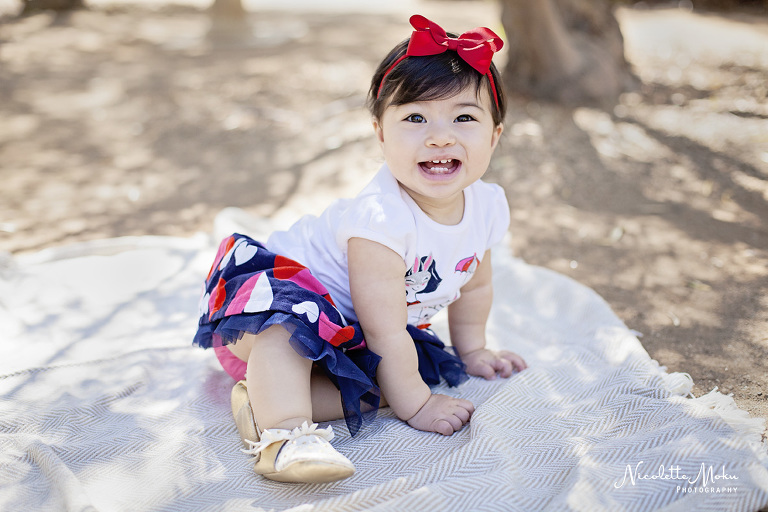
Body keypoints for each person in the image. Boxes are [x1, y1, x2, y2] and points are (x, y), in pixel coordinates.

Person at [193, 14, 528, 484]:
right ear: (381, 133)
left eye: (464, 117)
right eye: (415, 118)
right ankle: (286, 437)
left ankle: (260, 401)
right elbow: (385, 331)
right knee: (300, 334)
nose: (440, 135)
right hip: (267, 318)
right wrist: (419, 407)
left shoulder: (488, 206)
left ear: (494, 135)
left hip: (348, 336)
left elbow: (475, 286)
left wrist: (472, 349)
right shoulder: (381, 219)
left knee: (406, 375)